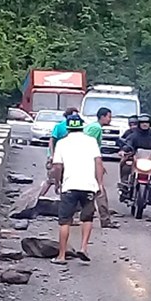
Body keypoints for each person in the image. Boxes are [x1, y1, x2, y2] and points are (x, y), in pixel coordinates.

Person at [49, 114, 105, 265]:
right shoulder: (91, 141)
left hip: (69, 186)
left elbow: (57, 166)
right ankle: (83, 248)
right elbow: (98, 163)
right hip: (88, 186)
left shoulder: (62, 143)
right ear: (82, 126)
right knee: (87, 218)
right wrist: (99, 184)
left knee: (65, 221)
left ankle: (61, 256)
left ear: (68, 127)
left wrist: (57, 182)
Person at [35, 107, 79, 202]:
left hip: (69, 158)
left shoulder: (77, 128)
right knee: (51, 178)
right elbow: (52, 141)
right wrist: (51, 155)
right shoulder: (59, 127)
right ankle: (37, 199)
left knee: (67, 180)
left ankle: (65, 201)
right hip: (57, 156)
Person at [84, 107, 113, 228]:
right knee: (100, 190)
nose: (110, 119)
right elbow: (90, 145)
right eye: (108, 116)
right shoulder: (96, 128)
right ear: (102, 116)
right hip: (90, 161)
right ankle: (105, 219)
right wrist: (98, 164)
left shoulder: (91, 126)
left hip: (86, 161)